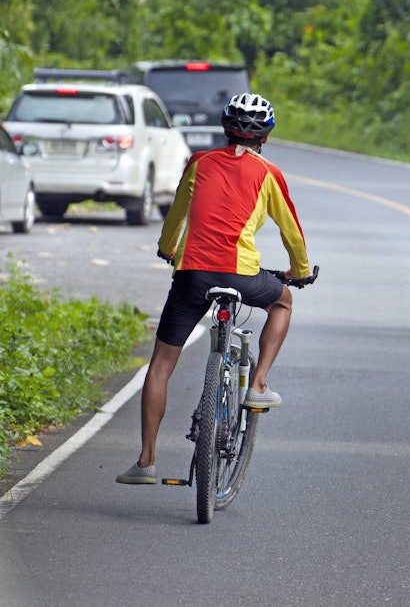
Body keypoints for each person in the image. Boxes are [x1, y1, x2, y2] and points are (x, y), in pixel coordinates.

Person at [116, 93, 312, 485]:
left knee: (160, 366)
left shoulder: (199, 162)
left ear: (225, 130)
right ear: (266, 137)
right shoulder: (269, 173)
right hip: (242, 275)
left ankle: (146, 460)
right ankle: (258, 384)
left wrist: (168, 249)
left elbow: (177, 212)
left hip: (193, 274)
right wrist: (300, 272)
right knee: (283, 302)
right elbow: (291, 230)